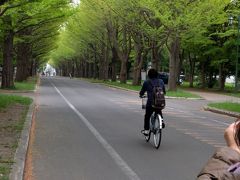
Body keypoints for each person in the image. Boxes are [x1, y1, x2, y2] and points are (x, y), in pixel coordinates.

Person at [139, 68, 166, 136]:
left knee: (147, 116)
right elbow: (164, 91)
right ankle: (162, 121)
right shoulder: (161, 81)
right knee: (158, 110)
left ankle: (146, 130)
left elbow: (142, 92)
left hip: (150, 103)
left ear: (149, 75)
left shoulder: (146, 82)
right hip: (160, 102)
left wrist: (141, 95)